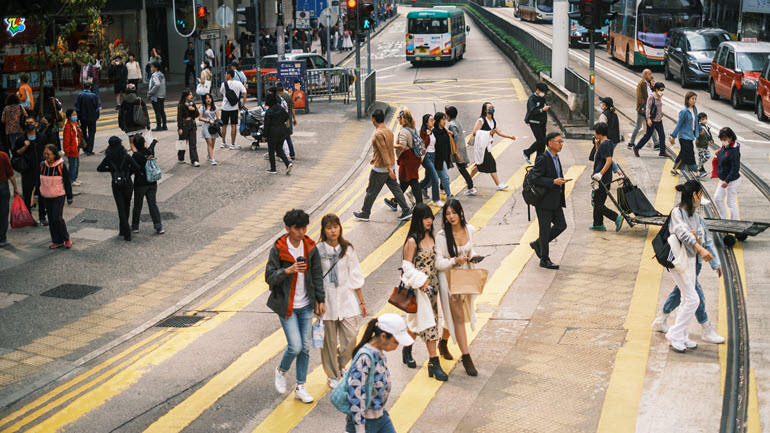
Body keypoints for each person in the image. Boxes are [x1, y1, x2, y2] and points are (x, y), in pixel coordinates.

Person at [267, 209, 325, 404]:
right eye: (297, 228)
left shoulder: (310, 247)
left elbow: (317, 275)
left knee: (306, 348)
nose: (301, 232)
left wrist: (320, 300)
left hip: (306, 304)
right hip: (287, 305)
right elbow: (269, 277)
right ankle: (281, 370)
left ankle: (300, 386)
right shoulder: (278, 249)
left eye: (304, 228)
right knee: (295, 346)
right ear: (288, 228)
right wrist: (288, 270)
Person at [652, 197, 724, 344]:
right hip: (685, 261)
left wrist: (715, 263)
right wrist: (697, 243)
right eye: (700, 205)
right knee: (695, 296)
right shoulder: (679, 215)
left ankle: (664, 320)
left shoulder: (697, 219)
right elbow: (690, 238)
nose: (700, 209)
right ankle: (704, 328)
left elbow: (707, 241)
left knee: (682, 293)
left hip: (693, 263)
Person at [665, 180, 721, 352]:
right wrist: (697, 246)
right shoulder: (677, 213)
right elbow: (681, 232)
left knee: (685, 299)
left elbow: (702, 238)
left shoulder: (696, 217)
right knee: (693, 299)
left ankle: (682, 336)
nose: (701, 199)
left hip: (690, 261)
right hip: (678, 261)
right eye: (701, 195)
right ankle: (674, 334)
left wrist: (698, 241)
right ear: (695, 195)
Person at [316, 213, 366, 389]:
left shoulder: (347, 249)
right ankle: (332, 374)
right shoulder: (318, 250)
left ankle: (341, 362)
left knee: (351, 335)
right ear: (324, 230)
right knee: (328, 341)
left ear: (340, 228)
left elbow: (355, 274)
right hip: (327, 300)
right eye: (329, 228)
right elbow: (315, 278)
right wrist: (317, 301)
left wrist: (361, 301)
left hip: (346, 297)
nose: (333, 231)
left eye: (335, 227)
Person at [400, 202, 447, 381]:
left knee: (421, 322)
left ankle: (407, 347)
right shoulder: (412, 241)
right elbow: (407, 267)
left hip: (433, 288)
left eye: (430, 216)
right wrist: (421, 282)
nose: (429, 220)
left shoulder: (432, 237)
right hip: (419, 289)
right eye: (425, 217)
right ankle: (434, 363)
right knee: (429, 324)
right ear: (418, 219)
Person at [435, 199, 480, 376]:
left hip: (466, 277)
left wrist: (474, 256)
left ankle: (443, 342)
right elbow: (438, 262)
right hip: (449, 280)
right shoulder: (441, 236)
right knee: (459, 317)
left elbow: (471, 250)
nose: (451, 216)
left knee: (456, 315)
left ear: (461, 212)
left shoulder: (470, 230)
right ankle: (466, 357)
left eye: (454, 212)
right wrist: (454, 260)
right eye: (447, 214)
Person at [345, 314, 412, 433]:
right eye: (395, 342)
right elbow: (356, 393)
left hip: (380, 416)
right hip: (366, 422)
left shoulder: (379, 353)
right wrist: (359, 427)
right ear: (383, 336)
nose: (397, 347)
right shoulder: (365, 357)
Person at [353, 109, 413, 222]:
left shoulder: (378, 134)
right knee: (396, 189)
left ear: (374, 119)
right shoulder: (389, 131)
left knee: (371, 191)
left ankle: (365, 213)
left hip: (381, 169)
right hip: (390, 165)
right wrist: (376, 159)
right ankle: (406, 210)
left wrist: (388, 169)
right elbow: (387, 149)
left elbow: (384, 150)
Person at [530, 132, 568, 269]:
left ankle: (538, 244)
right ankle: (544, 259)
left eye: (562, 141)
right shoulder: (543, 158)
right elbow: (535, 178)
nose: (561, 144)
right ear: (550, 143)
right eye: (559, 142)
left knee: (561, 225)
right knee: (545, 230)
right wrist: (553, 181)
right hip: (544, 201)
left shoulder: (556, 158)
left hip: (555, 200)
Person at [97, 136, 142, 241]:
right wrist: (128, 173)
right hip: (127, 184)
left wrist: (112, 171)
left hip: (116, 185)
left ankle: (124, 230)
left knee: (120, 208)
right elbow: (137, 167)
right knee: (127, 206)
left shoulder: (108, 157)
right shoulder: (126, 156)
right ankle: (126, 231)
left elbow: (99, 168)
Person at [470, 102, 516, 191]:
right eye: (489, 107)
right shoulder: (481, 120)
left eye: (492, 107)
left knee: (479, 165)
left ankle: (468, 180)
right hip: (481, 147)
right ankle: (498, 184)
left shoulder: (493, 121)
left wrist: (509, 136)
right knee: (492, 163)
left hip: (488, 146)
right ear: (485, 110)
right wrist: (488, 133)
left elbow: (499, 132)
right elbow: (475, 132)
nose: (492, 109)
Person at [35, 144, 73, 249]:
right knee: (51, 219)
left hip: (58, 196)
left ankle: (66, 238)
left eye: (48, 154)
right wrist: (36, 195)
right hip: (46, 196)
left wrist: (69, 197)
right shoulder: (42, 165)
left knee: (57, 218)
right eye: (44, 154)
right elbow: (38, 181)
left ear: (54, 154)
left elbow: (67, 182)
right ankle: (57, 241)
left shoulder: (61, 165)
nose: (46, 156)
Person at [590, 122, 623, 232]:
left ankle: (616, 217)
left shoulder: (604, 145)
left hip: (601, 179)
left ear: (598, 133)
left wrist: (600, 174)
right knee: (598, 201)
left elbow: (608, 161)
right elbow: (603, 157)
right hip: (603, 178)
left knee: (597, 203)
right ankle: (598, 224)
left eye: (595, 131)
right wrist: (597, 146)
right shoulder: (607, 143)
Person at [386, 109, 422, 209]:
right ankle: (395, 201)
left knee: (413, 181)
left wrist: (392, 145)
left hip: (407, 160)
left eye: (399, 118)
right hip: (414, 158)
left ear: (404, 119)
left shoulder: (403, 131)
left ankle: (419, 204)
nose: (398, 120)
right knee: (405, 182)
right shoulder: (412, 129)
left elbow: (402, 146)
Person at [14, 116, 46, 225]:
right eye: (27, 122)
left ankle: (42, 216)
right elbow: (15, 153)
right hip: (27, 171)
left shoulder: (41, 137)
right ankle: (29, 218)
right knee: (27, 195)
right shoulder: (21, 139)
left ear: (36, 123)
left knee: (42, 193)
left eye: (31, 122)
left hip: (41, 170)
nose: (29, 124)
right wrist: (24, 147)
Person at [131, 135, 164, 234]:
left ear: (135, 145)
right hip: (152, 182)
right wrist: (154, 141)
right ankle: (158, 226)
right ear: (144, 143)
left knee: (137, 205)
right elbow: (152, 147)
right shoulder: (149, 152)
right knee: (152, 204)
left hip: (140, 184)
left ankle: (135, 226)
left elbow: (133, 169)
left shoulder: (135, 156)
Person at [445, 105, 476, 195]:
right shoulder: (456, 121)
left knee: (461, 169)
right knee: (460, 168)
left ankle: (470, 187)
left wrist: (455, 152)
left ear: (448, 115)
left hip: (457, 149)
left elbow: (456, 137)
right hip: (461, 148)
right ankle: (442, 186)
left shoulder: (451, 124)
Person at [669, 91, 701, 176]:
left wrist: (700, 129)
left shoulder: (694, 109)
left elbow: (696, 121)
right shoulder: (684, 111)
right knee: (690, 153)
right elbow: (679, 124)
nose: (694, 101)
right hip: (683, 136)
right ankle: (697, 171)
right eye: (692, 99)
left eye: (695, 99)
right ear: (687, 100)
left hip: (690, 135)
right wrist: (673, 136)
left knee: (683, 153)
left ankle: (674, 169)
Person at [713, 127, 741, 221]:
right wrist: (718, 154)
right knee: (718, 198)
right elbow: (724, 159)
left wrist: (727, 181)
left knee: (731, 202)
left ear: (730, 138)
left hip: (731, 180)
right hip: (723, 179)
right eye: (721, 139)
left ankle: (734, 223)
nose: (723, 141)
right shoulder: (724, 147)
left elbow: (735, 169)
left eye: (725, 139)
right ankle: (724, 219)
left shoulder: (733, 151)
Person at [633, 82, 666, 157]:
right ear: (656, 89)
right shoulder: (651, 97)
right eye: (661, 90)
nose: (662, 91)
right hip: (652, 120)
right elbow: (648, 108)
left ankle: (662, 151)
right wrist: (648, 119)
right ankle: (636, 147)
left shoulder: (658, 96)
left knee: (662, 135)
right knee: (647, 135)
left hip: (659, 120)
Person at [263, 93, 293, 174]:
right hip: (282, 131)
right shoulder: (280, 108)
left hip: (272, 133)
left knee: (271, 151)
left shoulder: (268, 112)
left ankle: (273, 169)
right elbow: (287, 117)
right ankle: (288, 163)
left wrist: (264, 136)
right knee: (279, 150)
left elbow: (266, 125)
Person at [629, 69, 659, 150]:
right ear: (644, 75)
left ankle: (656, 144)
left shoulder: (649, 84)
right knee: (638, 126)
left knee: (651, 125)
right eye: (649, 74)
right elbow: (639, 97)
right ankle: (631, 142)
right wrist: (645, 107)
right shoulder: (641, 84)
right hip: (643, 109)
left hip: (649, 109)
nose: (651, 76)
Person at [417, 114, 444, 207]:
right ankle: (436, 199)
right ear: (426, 123)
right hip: (426, 157)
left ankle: (412, 191)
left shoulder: (431, 131)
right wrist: (427, 136)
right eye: (431, 120)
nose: (433, 122)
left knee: (427, 179)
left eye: (433, 120)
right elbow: (424, 145)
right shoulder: (423, 133)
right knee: (435, 178)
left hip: (432, 156)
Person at [220, 69, 247, 149]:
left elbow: (222, 92)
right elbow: (245, 93)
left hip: (225, 107)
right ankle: (233, 144)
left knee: (224, 125)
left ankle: (223, 142)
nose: (225, 75)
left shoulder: (224, 84)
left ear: (229, 75)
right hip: (234, 108)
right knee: (233, 125)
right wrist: (243, 104)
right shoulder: (238, 84)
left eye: (226, 74)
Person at [523, 83, 550, 164]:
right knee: (541, 141)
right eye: (542, 91)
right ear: (537, 90)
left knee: (543, 142)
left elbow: (544, 114)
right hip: (534, 122)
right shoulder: (532, 99)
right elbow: (532, 111)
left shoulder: (542, 98)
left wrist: (545, 124)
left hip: (541, 122)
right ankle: (528, 152)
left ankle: (539, 160)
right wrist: (542, 109)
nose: (543, 93)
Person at [430, 112, 454, 201]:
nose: (444, 121)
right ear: (438, 121)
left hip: (444, 158)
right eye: (442, 119)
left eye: (445, 119)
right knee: (445, 176)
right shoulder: (434, 132)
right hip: (437, 159)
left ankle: (421, 190)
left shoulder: (445, 131)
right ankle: (449, 195)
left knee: (430, 180)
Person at [119, 84, 150, 152]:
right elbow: (145, 113)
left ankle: (136, 156)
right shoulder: (140, 100)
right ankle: (143, 155)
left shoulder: (124, 102)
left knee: (132, 143)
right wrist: (148, 124)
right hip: (140, 124)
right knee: (141, 142)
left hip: (129, 126)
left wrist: (121, 125)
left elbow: (121, 115)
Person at [0, 146, 20, 247]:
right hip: (2, 186)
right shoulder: (3, 155)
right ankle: (2, 238)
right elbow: (11, 173)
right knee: (3, 213)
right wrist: (15, 188)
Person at [74, 82, 99, 155]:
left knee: (84, 131)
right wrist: (96, 116)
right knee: (92, 133)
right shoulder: (93, 96)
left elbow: (77, 107)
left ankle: (85, 147)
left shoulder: (80, 95)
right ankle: (89, 149)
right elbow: (97, 107)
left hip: (83, 117)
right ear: (90, 87)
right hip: (92, 117)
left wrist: (77, 118)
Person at [177, 90, 200, 166]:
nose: (192, 96)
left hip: (192, 124)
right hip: (184, 125)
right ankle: (181, 157)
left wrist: (194, 110)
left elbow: (197, 115)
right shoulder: (181, 105)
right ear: (186, 96)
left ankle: (194, 160)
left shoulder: (192, 104)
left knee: (193, 143)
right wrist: (180, 128)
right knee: (182, 142)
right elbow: (179, 117)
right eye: (190, 94)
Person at [62, 109, 83, 187]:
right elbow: (66, 139)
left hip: (76, 147)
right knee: (73, 164)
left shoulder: (75, 124)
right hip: (72, 149)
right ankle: (71, 180)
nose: (75, 116)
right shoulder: (68, 126)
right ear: (69, 116)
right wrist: (67, 150)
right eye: (73, 115)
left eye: (75, 114)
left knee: (77, 164)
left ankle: (74, 178)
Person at [199, 93, 220, 165]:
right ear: (204, 100)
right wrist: (208, 121)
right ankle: (212, 158)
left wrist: (218, 122)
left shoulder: (215, 107)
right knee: (209, 142)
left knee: (212, 143)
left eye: (209, 98)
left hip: (213, 127)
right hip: (206, 126)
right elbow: (200, 118)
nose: (208, 99)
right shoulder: (202, 107)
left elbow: (218, 117)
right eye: (207, 98)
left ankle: (209, 155)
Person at [276, 82, 297, 159]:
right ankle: (292, 153)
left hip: (280, 119)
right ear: (283, 88)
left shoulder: (277, 97)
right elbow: (292, 108)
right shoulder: (288, 96)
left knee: (281, 137)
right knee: (287, 136)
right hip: (288, 118)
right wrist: (294, 118)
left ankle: (283, 153)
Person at [148, 62, 167, 132]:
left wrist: (151, 91)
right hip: (162, 95)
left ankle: (159, 126)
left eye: (152, 67)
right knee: (162, 111)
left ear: (155, 68)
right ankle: (164, 125)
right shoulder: (161, 74)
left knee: (157, 111)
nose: (151, 68)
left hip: (156, 96)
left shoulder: (155, 75)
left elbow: (157, 84)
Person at [694, 112, 713, 178]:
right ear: (700, 119)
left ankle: (700, 170)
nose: (705, 120)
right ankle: (698, 166)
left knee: (701, 157)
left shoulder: (707, 127)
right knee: (706, 156)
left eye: (706, 118)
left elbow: (709, 134)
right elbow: (695, 134)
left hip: (705, 145)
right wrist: (698, 134)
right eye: (703, 119)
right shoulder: (699, 127)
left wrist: (711, 139)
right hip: (700, 145)